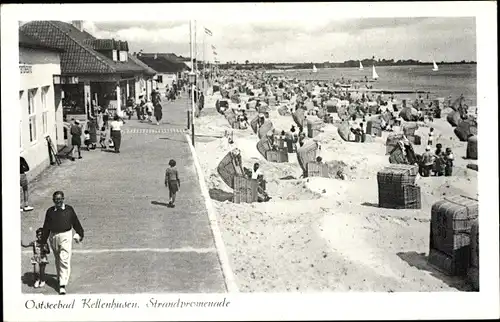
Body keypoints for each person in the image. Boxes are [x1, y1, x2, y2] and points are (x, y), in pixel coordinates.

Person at [40, 191, 84, 295]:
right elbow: (46, 226)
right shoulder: (50, 211)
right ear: (53, 200)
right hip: (53, 236)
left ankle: (62, 284)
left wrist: (80, 233)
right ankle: (60, 277)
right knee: (58, 259)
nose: (58, 201)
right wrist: (43, 242)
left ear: (63, 199)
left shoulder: (69, 210)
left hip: (66, 236)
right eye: (56, 199)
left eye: (60, 199)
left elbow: (76, 222)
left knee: (64, 258)